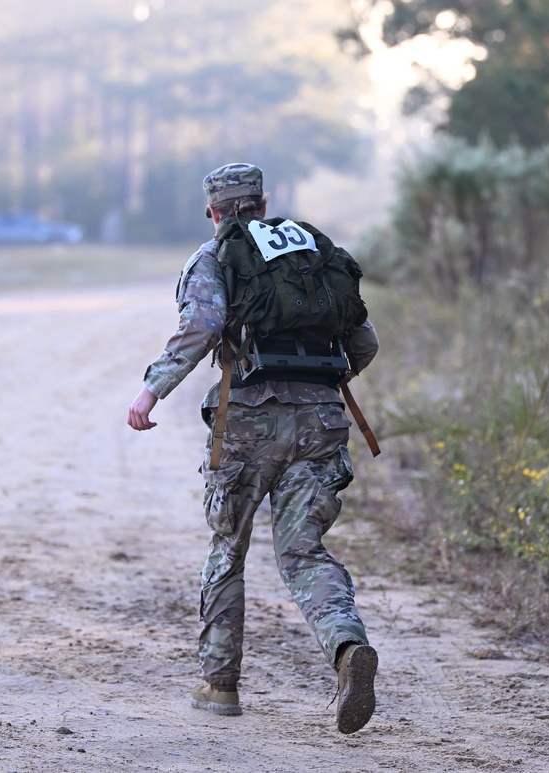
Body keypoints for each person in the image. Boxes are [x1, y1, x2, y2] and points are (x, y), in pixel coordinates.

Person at [127, 163, 380, 734]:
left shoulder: (214, 256)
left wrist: (150, 390)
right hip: (321, 422)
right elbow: (364, 341)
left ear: (214, 212)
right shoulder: (313, 251)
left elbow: (204, 324)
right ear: (263, 204)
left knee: (228, 545)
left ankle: (220, 685)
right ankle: (346, 647)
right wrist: (316, 385)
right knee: (303, 552)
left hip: (247, 426)